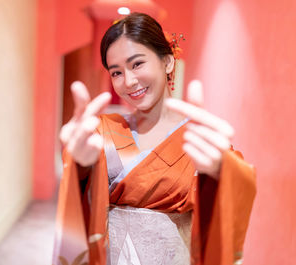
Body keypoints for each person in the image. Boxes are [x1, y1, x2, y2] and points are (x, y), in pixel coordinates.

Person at [52, 12, 256, 265]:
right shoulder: (103, 130)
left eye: (137, 64)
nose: (128, 81)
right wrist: (79, 164)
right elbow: (81, 198)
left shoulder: (198, 140)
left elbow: (226, 206)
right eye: (116, 72)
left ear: (168, 62)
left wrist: (220, 173)